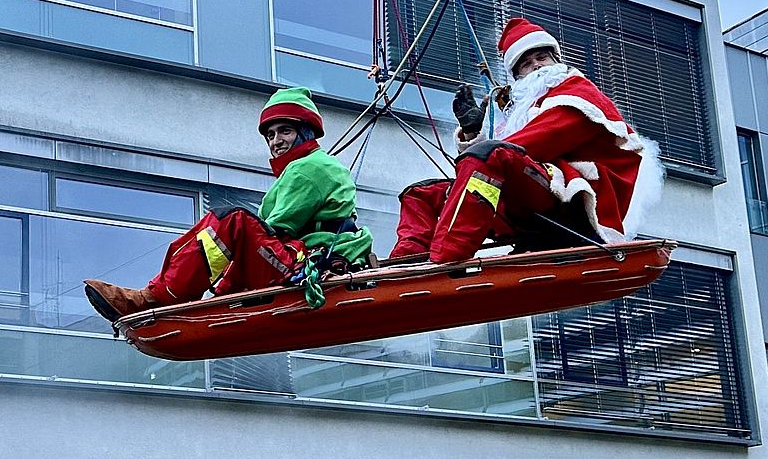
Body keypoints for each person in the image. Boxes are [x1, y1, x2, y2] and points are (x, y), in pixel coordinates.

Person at [84, 87, 373, 321]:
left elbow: (276, 231)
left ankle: (155, 297)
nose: (276, 141)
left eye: (285, 131)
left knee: (230, 221)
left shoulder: (308, 168)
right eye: (270, 135)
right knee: (236, 225)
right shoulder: (311, 167)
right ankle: (179, 295)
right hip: (302, 259)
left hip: (304, 264)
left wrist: (223, 289)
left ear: (305, 132)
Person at [390, 17, 663, 263]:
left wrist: (482, 151)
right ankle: (405, 263)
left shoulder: (578, 95)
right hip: (528, 197)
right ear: (517, 75)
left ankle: (443, 260)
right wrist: (473, 135)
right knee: (421, 193)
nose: (535, 67)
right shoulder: (525, 109)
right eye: (526, 64)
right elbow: (492, 163)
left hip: (568, 206)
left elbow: (532, 144)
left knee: (490, 155)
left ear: (556, 60)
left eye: (541, 58)